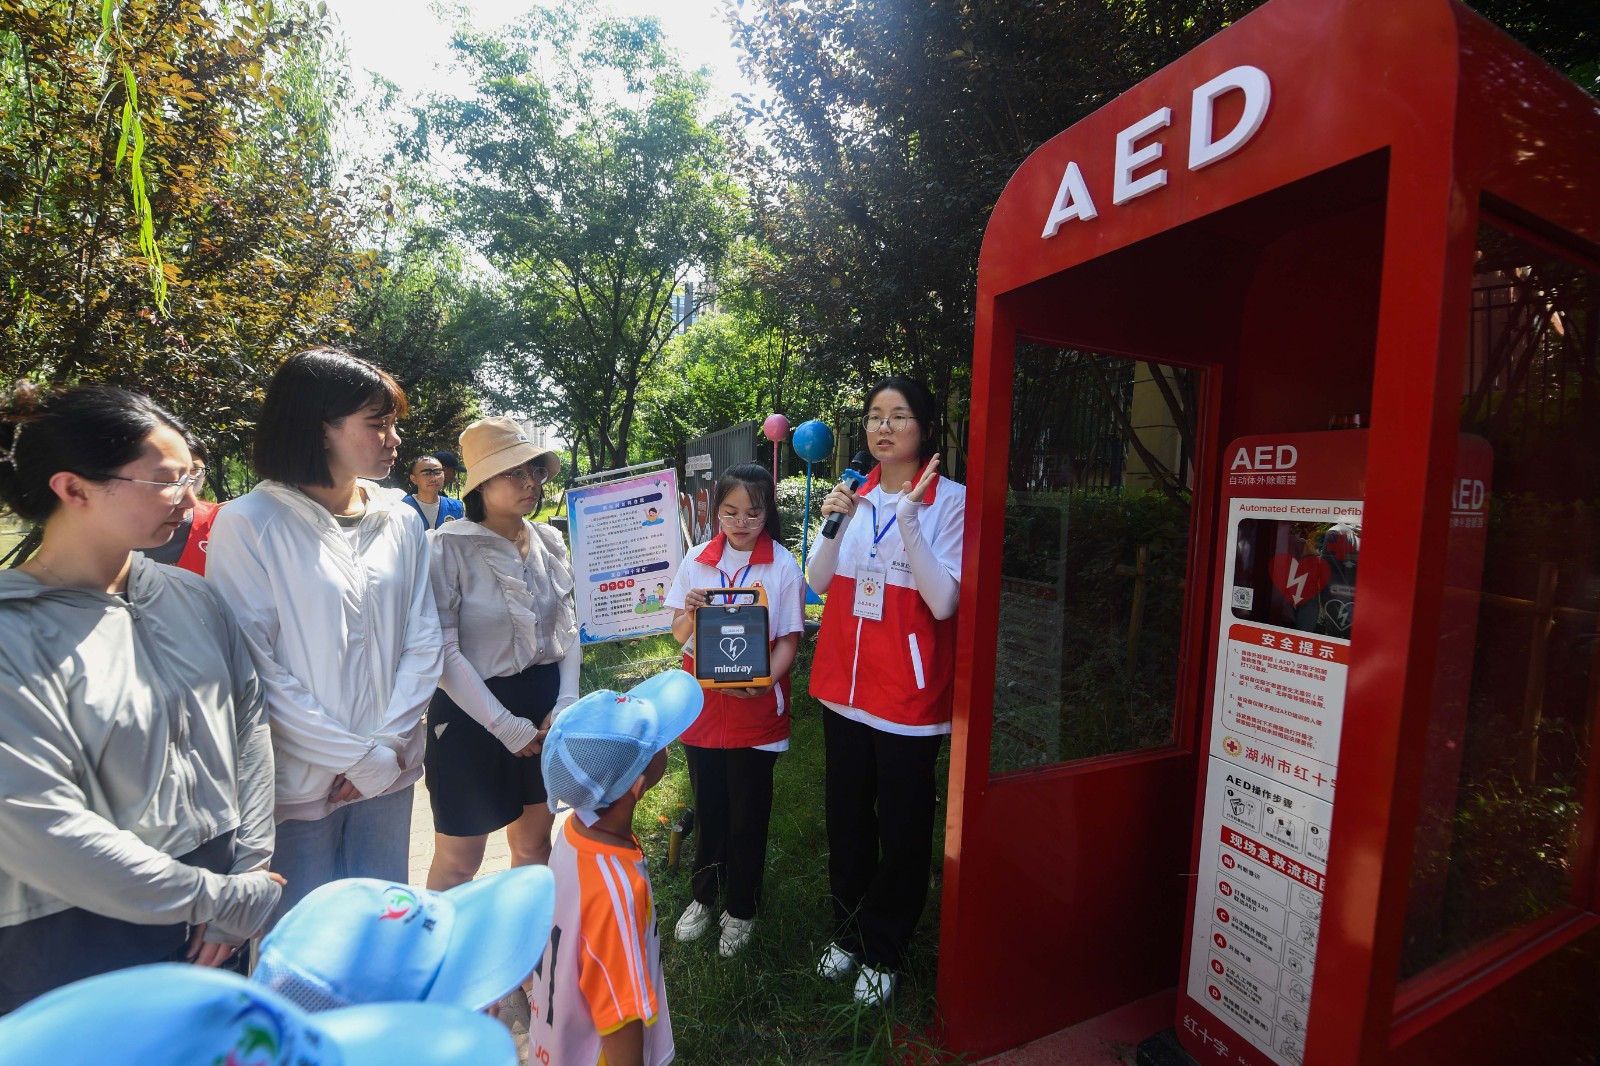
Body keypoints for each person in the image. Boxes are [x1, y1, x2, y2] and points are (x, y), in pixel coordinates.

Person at [0, 382, 281, 1014]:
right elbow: (39, 822)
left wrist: (246, 872)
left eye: (191, 476)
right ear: (73, 489)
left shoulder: (192, 597)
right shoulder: (13, 633)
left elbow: (249, 724)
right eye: (165, 481)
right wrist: (215, 897)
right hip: (73, 933)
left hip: (217, 912)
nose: (191, 500)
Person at [207, 347, 443, 925]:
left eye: (393, 424)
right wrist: (355, 756)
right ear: (320, 427)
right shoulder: (249, 522)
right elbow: (255, 666)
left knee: (383, 931)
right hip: (299, 785)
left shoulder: (400, 518)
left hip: (389, 773)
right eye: (377, 424)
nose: (394, 440)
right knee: (303, 942)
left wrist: (384, 748)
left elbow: (424, 636)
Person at [805, 376, 966, 1006]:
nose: (884, 427)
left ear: (923, 428)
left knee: (901, 825)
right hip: (844, 686)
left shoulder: (949, 501)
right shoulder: (854, 495)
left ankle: (884, 944)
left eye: (899, 416)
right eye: (875, 415)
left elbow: (944, 601)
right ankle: (847, 930)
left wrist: (908, 521)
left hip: (906, 696)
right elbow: (817, 582)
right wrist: (833, 525)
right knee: (847, 815)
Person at [424, 417, 580, 892]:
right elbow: (443, 650)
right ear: (480, 484)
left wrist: (567, 700)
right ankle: (440, 938)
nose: (530, 482)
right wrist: (503, 725)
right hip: (471, 710)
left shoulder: (549, 540)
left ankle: (528, 934)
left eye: (534, 470)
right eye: (514, 472)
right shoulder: (447, 547)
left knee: (534, 846)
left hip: (544, 709)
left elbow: (567, 628)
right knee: (459, 861)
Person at [527, 670, 703, 1066]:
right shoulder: (617, 894)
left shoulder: (573, 835)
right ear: (636, 785)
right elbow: (621, 1021)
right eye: (656, 741)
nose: (666, 744)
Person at [665, 463, 805, 957]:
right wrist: (689, 610)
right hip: (703, 708)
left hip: (755, 709)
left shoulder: (782, 565)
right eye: (730, 512)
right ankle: (704, 897)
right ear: (715, 512)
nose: (741, 522)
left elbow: (789, 639)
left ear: (768, 512)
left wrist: (763, 682)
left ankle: (742, 907)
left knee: (748, 813)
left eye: (753, 512)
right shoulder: (697, 559)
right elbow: (679, 635)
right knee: (709, 808)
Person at [140, 434, 217, 575]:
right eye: (167, 477)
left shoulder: (221, 522)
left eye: (195, 473)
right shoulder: (104, 534)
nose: (191, 502)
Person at [402, 453, 464, 530]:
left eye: (437, 472)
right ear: (413, 478)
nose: (433, 478)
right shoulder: (402, 507)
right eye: (426, 474)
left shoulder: (456, 507)